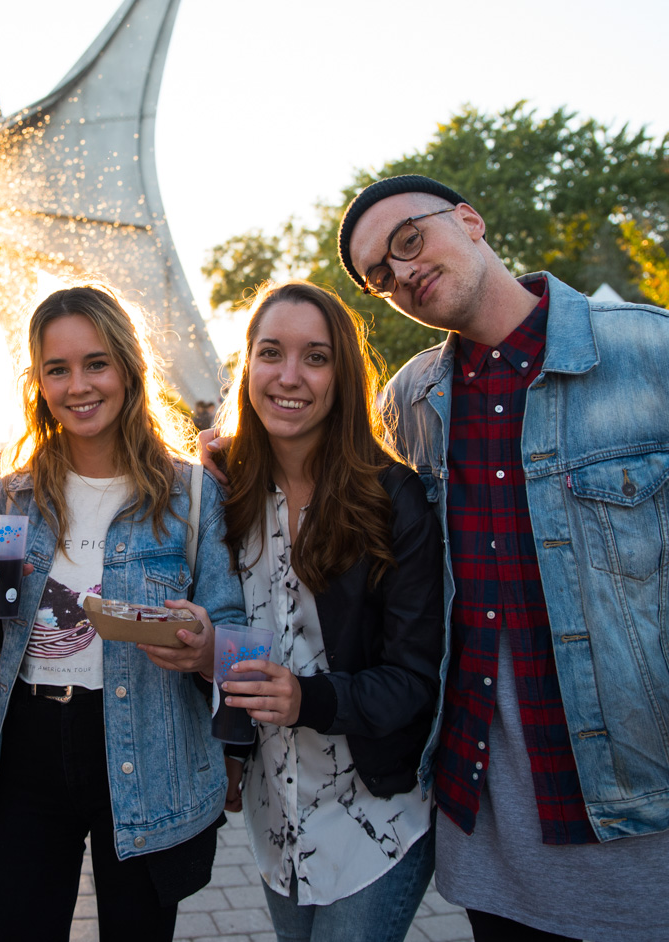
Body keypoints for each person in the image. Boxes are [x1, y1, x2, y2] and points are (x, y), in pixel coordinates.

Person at [329, 174, 669, 942]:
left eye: (409, 240)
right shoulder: (410, 401)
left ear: (470, 219)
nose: (402, 273)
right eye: (380, 276)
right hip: (488, 836)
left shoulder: (661, 351)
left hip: (646, 818)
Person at [0, 284, 244, 941]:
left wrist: (206, 650)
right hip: (30, 748)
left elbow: (236, 638)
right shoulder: (14, 494)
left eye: (96, 363)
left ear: (129, 368)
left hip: (150, 748)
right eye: (57, 369)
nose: (79, 386)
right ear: (39, 384)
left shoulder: (193, 494)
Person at [216, 281, 444, 942]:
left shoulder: (392, 499)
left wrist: (306, 699)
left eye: (315, 357)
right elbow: (232, 639)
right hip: (275, 816)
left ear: (343, 374)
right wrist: (231, 742)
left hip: (378, 817)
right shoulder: (226, 495)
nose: (289, 376)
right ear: (248, 366)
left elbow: (416, 680)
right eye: (270, 353)